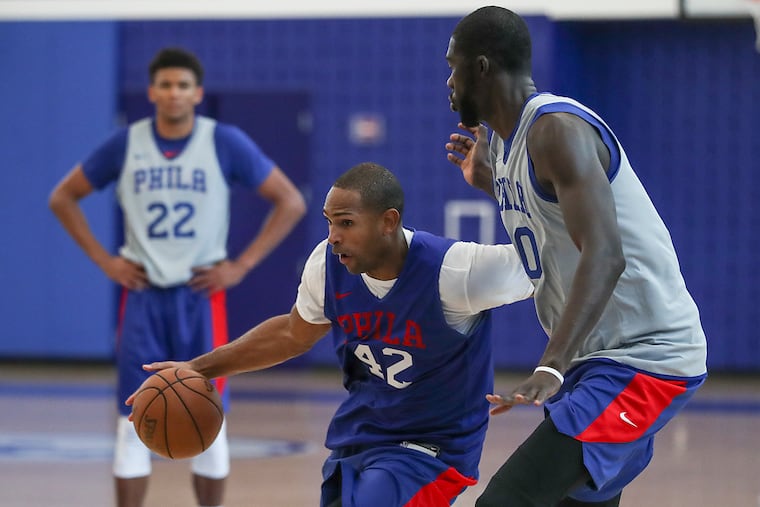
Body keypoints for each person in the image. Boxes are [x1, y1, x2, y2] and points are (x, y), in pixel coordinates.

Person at [127, 161, 535, 507]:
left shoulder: (458, 272)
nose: (333, 235)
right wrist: (197, 369)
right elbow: (291, 334)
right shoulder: (327, 264)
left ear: (388, 222)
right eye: (329, 223)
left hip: (432, 448)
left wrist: (495, 182)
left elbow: (554, 258)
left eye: (346, 223)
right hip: (361, 436)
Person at [444, 6, 708, 507]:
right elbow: (548, 218)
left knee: (506, 500)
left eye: (452, 66)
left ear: (481, 68)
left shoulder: (556, 128)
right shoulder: (505, 148)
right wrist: (492, 181)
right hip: (599, 361)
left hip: (645, 358)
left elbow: (606, 255)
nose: (448, 82)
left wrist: (552, 366)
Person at [48, 47, 306, 507]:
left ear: (197, 93)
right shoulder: (125, 144)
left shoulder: (224, 141)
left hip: (200, 296)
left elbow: (290, 201)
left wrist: (241, 265)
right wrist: (105, 262)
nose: (173, 93)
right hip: (144, 298)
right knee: (132, 415)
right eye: (165, 84)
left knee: (210, 416)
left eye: (183, 85)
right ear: (151, 92)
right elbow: (63, 197)